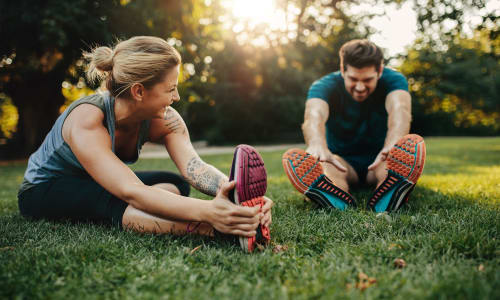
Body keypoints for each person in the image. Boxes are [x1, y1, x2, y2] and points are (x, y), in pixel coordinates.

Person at [17, 36, 272, 252]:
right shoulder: (88, 119)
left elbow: (194, 166)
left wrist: (239, 197)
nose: (177, 97)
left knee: (176, 185)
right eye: (170, 89)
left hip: (97, 183)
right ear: (139, 91)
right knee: (117, 199)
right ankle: (214, 231)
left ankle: (145, 215)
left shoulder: (165, 119)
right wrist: (211, 213)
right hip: (45, 189)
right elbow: (131, 191)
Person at [282, 39, 426, 212]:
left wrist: (393, 145)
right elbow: (314, 114)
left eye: (367, 80)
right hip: (342, 161)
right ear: (343, 70)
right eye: (353, 79)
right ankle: (334, 193)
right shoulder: (323, 85)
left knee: (390, 167)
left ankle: (390, 190)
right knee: (327, 168)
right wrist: (317, 145)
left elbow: (399, 109)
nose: (359, 87)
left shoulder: (394, 79)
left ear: (379, 71)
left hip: (380, 158)